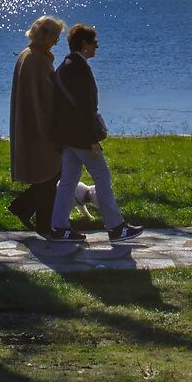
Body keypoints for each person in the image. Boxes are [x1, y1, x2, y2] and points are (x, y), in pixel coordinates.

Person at [49, 22, 143, 240]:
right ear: (84, 44)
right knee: (102, 175)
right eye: (94, 43)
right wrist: (92, 140)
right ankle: (116, 227)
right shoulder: (80, 69)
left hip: (68, 136)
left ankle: (58, 227)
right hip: (81, 136)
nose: (96, 48)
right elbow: (85, 109)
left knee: (68, 181)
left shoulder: (63, 67)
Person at [7, 15, 66, 231]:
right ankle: (41, 219)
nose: (57, 43)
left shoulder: (27, 54)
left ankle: (24, 207)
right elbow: (48, 97)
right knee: (51, 172)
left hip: (30, 123)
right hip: (40, 126)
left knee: (49, 173)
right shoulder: (38, 61)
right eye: (56, 38)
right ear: (46, 37)